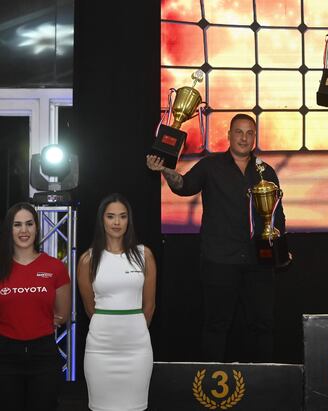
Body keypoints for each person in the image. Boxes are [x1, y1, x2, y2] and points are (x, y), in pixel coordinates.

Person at [146, 113, 285, 362]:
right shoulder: (210, 166)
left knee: (262, 325)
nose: (244, 138)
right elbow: (184, 186)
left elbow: (277, 215)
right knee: (216, 326)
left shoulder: (266, 171)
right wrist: (166, 170)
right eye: (239, 132)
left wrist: (279, 251)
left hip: (259, 262)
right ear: (229, 135)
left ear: (255, 137)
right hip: (219, 260)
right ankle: (211, 388)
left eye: (249, 133)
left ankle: (266, 384)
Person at [78, 194, 156, 411]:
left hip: (137, 350)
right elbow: (89, 308)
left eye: (122, 216)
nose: (116, 222)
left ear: (128, 220)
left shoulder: (144, 255)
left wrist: (133, 328)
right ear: (102, 220)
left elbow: (149, 306)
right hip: (100, 351)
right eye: (111, 216)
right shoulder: (88, 259)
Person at [0, 202, 71, 411]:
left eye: (29, 224)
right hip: (5, 356)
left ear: (37, 228)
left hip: (44, 356)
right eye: (17, 225)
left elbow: (63, 314)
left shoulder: (55, 268)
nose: (24, 230)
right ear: (9, 229)